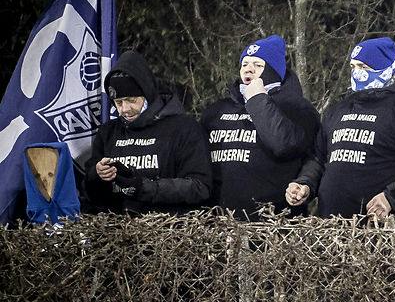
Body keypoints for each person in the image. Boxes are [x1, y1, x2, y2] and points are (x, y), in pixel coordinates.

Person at [288, 38, 395, 221]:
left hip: (385, 234)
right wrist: (305, 183)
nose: (357, 74)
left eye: (364, 67)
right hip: (332, 232)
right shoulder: (338, 109)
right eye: (353, 67)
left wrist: (392, 197)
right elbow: (319, 158)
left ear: (384, 70)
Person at [200, 35, 320, 219]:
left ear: (272, 71)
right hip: (218, 222)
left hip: (271, 223)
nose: (248, 69)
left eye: (258, 65)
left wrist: (257, 99)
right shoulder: (216, 111)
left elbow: (283, 145)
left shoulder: (297, 109)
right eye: (245, 63)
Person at [85, 51, 213, 214]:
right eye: (118, 102)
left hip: (169, 232)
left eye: (132, 101)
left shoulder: (184, 128)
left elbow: (200, 187)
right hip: (116, 232)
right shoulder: (108, 132)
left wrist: (144, 187)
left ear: (148, 95)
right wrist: (97, 175)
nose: (125, 109)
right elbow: (90, 194)